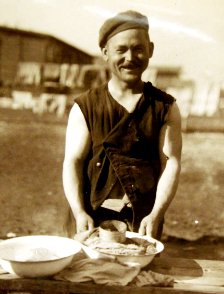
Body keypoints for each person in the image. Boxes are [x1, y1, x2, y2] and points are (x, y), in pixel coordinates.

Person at [63, 10, 182, 242]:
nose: (130, 57)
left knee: (138, 272)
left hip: (142, 220)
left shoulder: (165, 107)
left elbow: (171, 162)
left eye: (138, 48)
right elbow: (73, 161)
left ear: (150, 50)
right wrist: (79, 211)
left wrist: (156, 213)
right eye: (121, 50)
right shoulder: (86, 106)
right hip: (89, 217)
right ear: (105, 53)